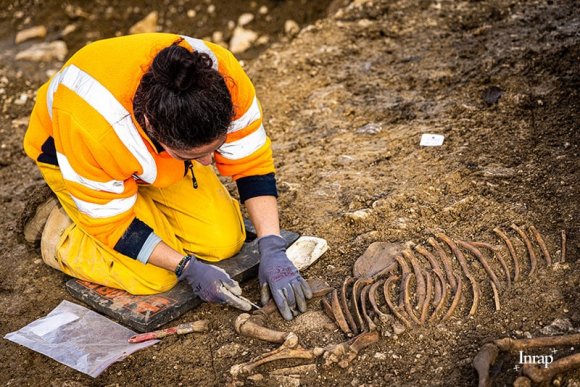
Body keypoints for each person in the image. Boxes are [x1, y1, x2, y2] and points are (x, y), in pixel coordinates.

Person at [23, 32, 312, 320]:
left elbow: (252, 163)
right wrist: (185, 267)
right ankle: (57, 229)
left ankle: (157, 187)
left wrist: (272, 247)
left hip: (152, 160)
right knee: (155, 278)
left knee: (224, 241)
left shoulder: (221, 77)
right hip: (75, 157)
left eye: (216, 148)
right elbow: (112, 226)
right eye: (194, 156)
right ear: (152, 126)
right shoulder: (93, 128)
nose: (210, 162)